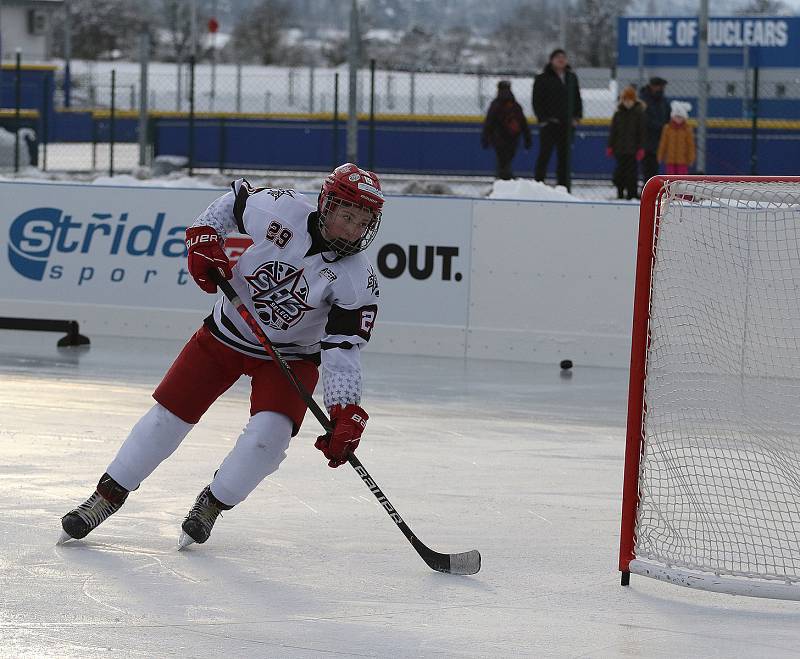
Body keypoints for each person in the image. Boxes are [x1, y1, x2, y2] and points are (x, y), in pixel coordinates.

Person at [59, 163, 385, 548]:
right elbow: (230, 205)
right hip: (226, 333)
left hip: (291, 357)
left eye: (362, 223)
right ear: (326, 205)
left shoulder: (358, 280)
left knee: (269, 440)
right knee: (168, 418)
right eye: (346, 217)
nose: (352, 231)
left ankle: (211, 503)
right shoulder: (280, 210)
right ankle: (106, 497)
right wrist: (203, 238)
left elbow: (343, 349)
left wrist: (345, 410)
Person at [532, 48, 583, 189]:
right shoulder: (542, 78)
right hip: (549, 124)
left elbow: (577, 98)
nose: (561, 59)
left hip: (566, 125)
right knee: (544, 156)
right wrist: (543, 120)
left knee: (564, 159)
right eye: (557, 57)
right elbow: (537, 101)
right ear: (551, 60)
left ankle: (564, 187)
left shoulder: (571, 77)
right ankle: (538, 186)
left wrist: (577, 117)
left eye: (563, 57)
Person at [481, 80, 532, 180]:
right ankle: (507, 180)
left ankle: (504, 182)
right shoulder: (515, 105)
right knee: (507, 161)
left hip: (498, 138)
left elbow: (489, 122)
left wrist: (485, 138)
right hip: (513, 138)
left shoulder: (495, 105)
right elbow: (523, 123)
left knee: (501, 162)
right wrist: (527, 139)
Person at [606, 86, 646, 200]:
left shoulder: (639, 114)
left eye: (630, 100)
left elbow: (642, 132)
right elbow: (613, 131)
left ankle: (631, 193)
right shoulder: (618, 114)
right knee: (620, 173)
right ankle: (620, 191)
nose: (627, 103)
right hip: (620, 149)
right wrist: (610, 146)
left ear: (634, 101)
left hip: (633, 150)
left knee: (632, 174)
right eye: (625, 100)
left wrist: (641, 148)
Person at [638, 76, 670, 183]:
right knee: (647, 168)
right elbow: (644, 119)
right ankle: (646, 190)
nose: (661, 89)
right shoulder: (644, 99)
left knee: (655, 168)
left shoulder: (663, 101)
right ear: (652, 86)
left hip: (660, 139)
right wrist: (660, 126)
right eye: (659, 86)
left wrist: (665, 127)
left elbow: (667, 116)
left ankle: (654, 190)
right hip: (647, 139)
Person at [657, 101, 695, 175]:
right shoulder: (667, 128)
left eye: (680, 117)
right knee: (670, 177)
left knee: (681, 178)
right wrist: (660, 155)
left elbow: (690, 145)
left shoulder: (687, 129)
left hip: (682, 160)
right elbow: (663, 143)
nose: (678, 119)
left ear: (684, 118)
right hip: (670, 159)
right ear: (672, 116)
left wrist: (691, 158)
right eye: (676, 116)